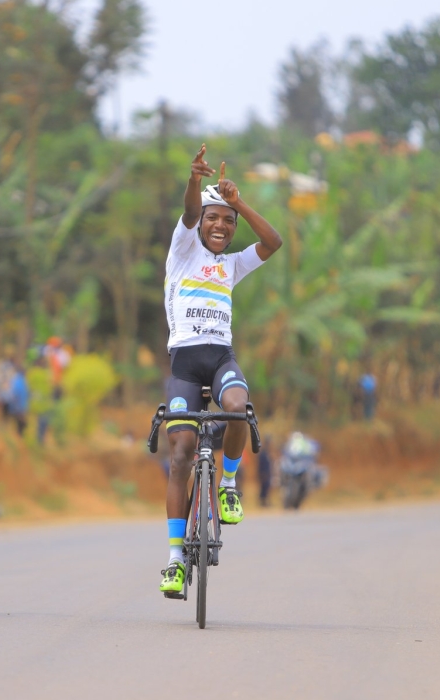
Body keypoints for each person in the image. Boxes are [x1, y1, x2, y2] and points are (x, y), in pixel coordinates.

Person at [159, 145, 283, 595]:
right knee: (180, 453)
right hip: (186, 367)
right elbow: (190, 211)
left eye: (227, 222)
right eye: (215, 217)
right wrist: (196, 181)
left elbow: (273, 243)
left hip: (221, 360)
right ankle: (174, 560)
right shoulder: (183, 250)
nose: (220, 225)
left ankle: (228, 484)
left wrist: (240, 203)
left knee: (238, 406)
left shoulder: (231, 265)